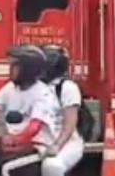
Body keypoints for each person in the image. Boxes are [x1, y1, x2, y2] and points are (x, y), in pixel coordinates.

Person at [0, 45, 60, 175]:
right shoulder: (10, 88)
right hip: (13, 146)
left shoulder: (42, 94)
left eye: (15, 66)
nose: (10, 70)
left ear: (28, 69)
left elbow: (34, 128)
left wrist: (15, 139)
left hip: (36, 148)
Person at [40, 46, 85, 176]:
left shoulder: (67, 88)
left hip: (66, 142)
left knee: (52, 166)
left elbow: (69, 124)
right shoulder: (31, 87)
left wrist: (57, 146)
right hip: (37, 143)